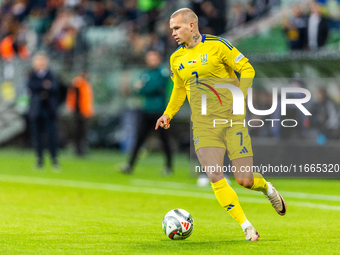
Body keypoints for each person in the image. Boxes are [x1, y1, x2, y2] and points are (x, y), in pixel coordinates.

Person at [155, 8, 287, 241]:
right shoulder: (176, 58)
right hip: (203, 124)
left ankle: (267, 188)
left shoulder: (218, 45)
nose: (173, 33)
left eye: (177, 28)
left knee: (244, 180)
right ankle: (246, 227)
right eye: (171, 29)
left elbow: (247, 68)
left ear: (192, 26)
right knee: (215, 175)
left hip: (231, 120)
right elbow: (179, 88)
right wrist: (168, 114)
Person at [121, 50, 173, 175]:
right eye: (149, 58)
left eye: (153, 58)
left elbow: (156, 87)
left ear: (158, 59)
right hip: (146, 110)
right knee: (139, 139)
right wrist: (145, 88)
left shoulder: (163, 72)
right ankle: (130, 165)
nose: (151, 60)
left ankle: (168, 167)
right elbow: (138, 90)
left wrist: (144, 87)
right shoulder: (146, 73)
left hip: (160, 111)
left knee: (164, 139)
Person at [27, 53, 59, 168]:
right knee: (37, 136)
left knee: (51, 135)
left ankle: (54, 159)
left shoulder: (51, 74)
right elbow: (31, 86)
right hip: (36, 110)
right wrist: (44, 86)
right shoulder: (32, 75)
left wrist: (41, 87)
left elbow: (55, 88)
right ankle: (39, 159)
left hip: (49, 109)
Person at [66, 70, 94, 156]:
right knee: (79, 131)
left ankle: (81, 148)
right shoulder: (79, 85)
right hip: (79, 111)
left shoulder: (84, 84)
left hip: (83, 111)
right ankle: (78, 149)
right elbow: (77, 99)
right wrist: (79, 111)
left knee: (82, 131)